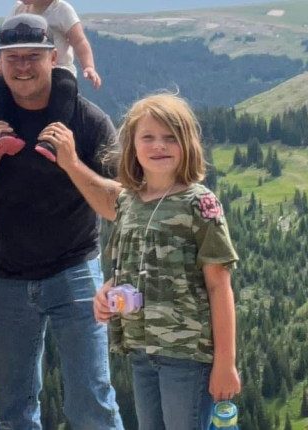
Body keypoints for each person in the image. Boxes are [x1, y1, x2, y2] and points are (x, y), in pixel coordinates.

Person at [0, 13, 123, 430]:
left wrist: (72, 163)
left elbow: (118, 206)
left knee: (91, 403)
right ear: (0, 62)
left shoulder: (88, 119)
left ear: (54, 57)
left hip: (76, 272)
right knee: (12, 411)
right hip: (6, 279)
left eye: (32, 56)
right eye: (13, 58)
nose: (23, 67)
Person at [92, 94, 241, 429]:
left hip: (187, 354)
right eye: (148, 137)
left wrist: (225, 363)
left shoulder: (199, 203)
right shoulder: (128, 202)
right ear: (132, 145)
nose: (159, 146)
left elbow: (219, 286)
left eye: (170, 137)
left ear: (187, 144)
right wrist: (106, 294)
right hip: (141, 351)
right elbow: (127, 271)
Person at [0, 0, 101, 89]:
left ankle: (60, 116)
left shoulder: (61, 10)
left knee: (65, 86)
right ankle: (2, 115)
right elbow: (6, 42)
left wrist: (88, 66)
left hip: (58, 68)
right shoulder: (17, 9)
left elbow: (79, 41)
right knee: (0, 85)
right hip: (22, 66)